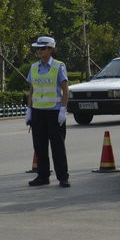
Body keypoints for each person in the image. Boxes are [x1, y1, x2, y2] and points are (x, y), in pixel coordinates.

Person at [25, 36, 70, 187]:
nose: (39, 51)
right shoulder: (34, 67)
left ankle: (63, 177)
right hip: (38, 112)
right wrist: (29, 110)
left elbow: (65, 90)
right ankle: (43, 176)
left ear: (50, 49)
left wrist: (63, 109)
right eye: (38, 48)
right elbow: (31, 91)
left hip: (54, 112)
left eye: (42, 48)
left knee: (57, 146)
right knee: (39, 145)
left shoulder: (58, 66)